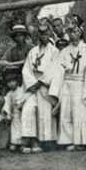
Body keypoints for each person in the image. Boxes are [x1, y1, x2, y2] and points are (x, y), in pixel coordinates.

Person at [50, 25, 86, 151]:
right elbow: (58, 69)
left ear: (81, 33)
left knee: (79, 112)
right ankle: (67, 140)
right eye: (71, 32)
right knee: (66, 111)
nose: (73, 34)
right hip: (66, 83)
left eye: (76, 32)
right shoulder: (64, 51)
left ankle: (80, 141)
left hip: (81, 84)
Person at [20, 22, 59, 153]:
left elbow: (55, 69)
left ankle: (46, 142)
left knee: (45, 113)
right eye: (41, 34)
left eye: (46, 34)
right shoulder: (33, 51)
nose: (44, 36)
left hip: (45, 86)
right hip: (33, 86)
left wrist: (41, 82)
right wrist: (32, 84)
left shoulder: (54, 51)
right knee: (28, 109)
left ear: (50, 34)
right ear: (38, 35)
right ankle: (31, 140)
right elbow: (26, 69)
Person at [0, 69, 29, 152]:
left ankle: (23, 145)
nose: (11, 84)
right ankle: (14, 144)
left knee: (24, 128)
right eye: (8, 82)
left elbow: (25, 99)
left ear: (17, 81)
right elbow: (7, 104)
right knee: (15, 128)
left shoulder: (22, 90)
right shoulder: (9, 94)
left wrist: (21, 106)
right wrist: (4, 114)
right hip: (14, 114)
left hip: (23, 113)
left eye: (12, 81)